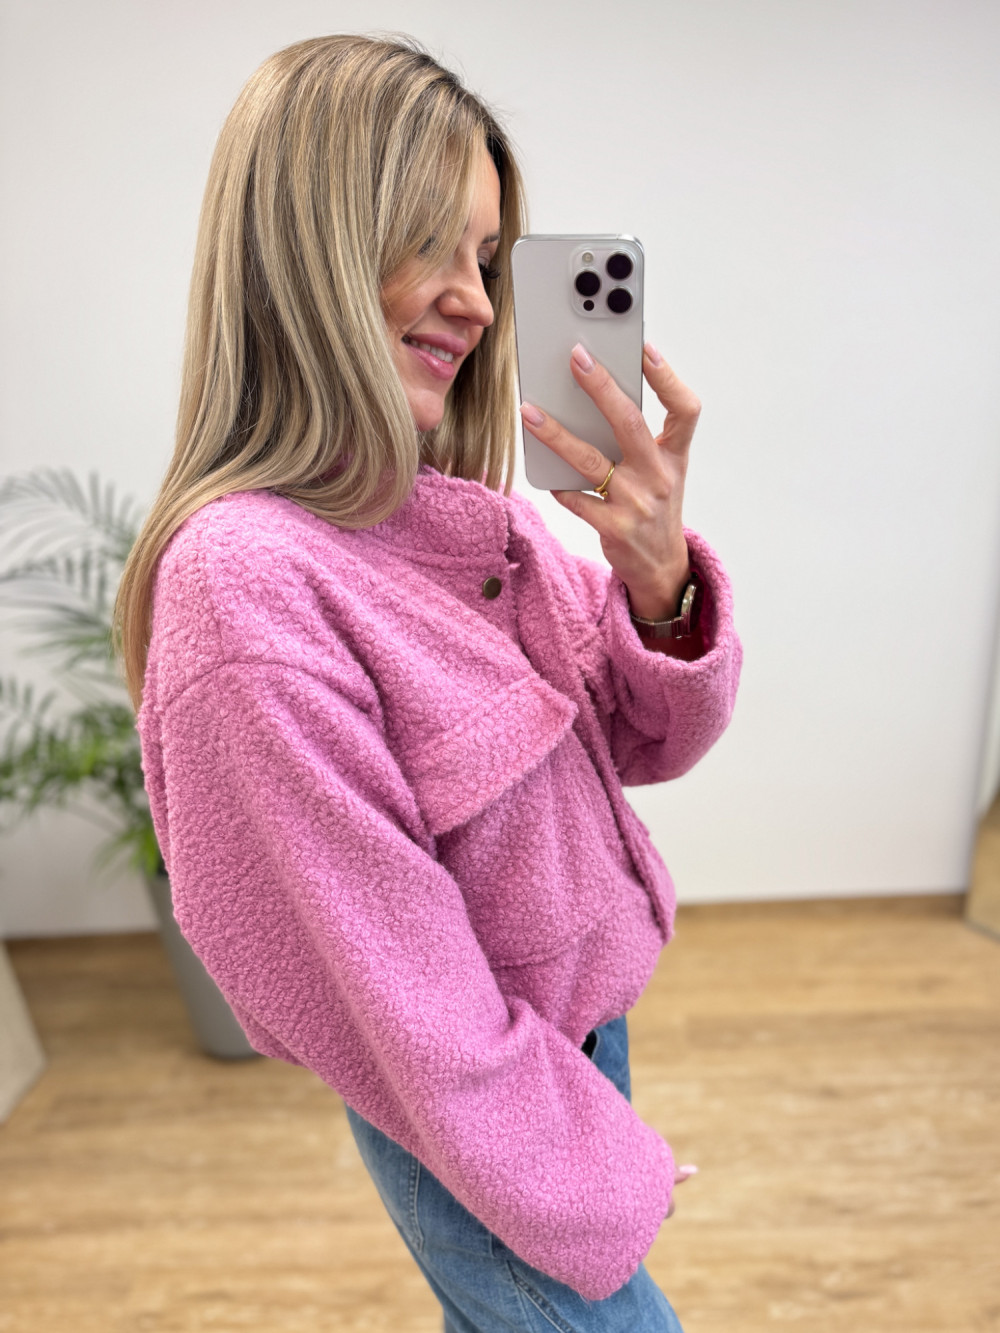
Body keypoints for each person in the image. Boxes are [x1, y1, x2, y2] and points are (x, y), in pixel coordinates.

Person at [115, 34, 742, 1333]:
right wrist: (588, 1169)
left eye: (489, 258)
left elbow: (646, 739)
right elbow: (405, 1004)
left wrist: (657, 579)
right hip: (481, 1114)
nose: (479, 301)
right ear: (311, 248)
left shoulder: (466, 524)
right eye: (429, 245)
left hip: (564, 1056)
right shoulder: (246, 586)